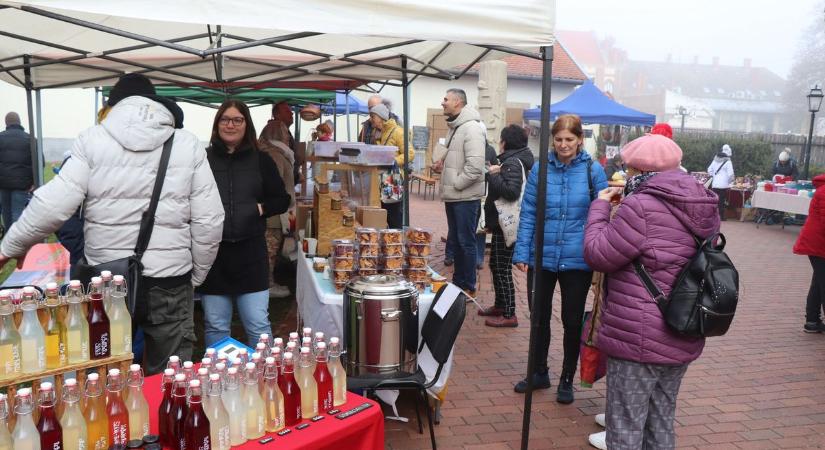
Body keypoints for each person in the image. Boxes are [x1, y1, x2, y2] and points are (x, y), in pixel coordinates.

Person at [0, 73, 224, 375]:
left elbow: (52, 204)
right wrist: (196, 274)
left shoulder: (91, 140)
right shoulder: (187, 144)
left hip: (107, 276)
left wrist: (11, 245)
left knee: (104, 373)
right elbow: (210, 219)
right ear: (155, 102)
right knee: (172, 378)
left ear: (113, 104)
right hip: (170, 278)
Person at [583, 134, 719, 450]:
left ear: (638, 171)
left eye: (628, 170)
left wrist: (600, 208)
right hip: (682, 327)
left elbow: (598, 253)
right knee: (660, 422)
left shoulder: (641, 206)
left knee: (626, 428)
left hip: (637, 336)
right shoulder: (702, 201)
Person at [511, 114, 608, 402]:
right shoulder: (541, 169)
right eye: (559, 139)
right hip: (542, 256)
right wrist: (522, 251)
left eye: (569, 139)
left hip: (577, 259)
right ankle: (539, 371)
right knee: (538, 317)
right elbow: (528, 212)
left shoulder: (593, 171)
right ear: (552, 140)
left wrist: (599, 256)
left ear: (580, 140)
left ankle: (567, 377)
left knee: (571, 320)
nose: (564, 144)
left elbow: (601, 217)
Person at [198, 100, 291, 348]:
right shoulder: (202, 160)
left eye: (237, 120)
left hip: (251, 255)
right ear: (217, 124)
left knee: (258, 326)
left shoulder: (262, 161)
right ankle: (218, 383)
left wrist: (259, 208)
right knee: (216, 326)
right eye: (225, 119)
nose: (231, 125)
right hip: (214, 257)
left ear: (246, 124)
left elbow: (281, 199)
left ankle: (266, 382)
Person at [478, 124, 534, 328]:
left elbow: (510, 192)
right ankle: (500, 305)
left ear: (505, 142)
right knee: (495, 264)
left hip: (508, 224)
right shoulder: (515, 160)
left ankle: (510, 312)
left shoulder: (511, 162)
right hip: (502, 223)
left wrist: (493, 175)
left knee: (502, 268)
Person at [432, 88, 486, 296]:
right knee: (459, 242)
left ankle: (469, 285)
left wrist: (455, 183)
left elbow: (474, 167)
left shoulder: (471, 128)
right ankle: (458, 282)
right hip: (456, 196)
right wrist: (442, 168)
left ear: (458, 102)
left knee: (466, 242)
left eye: (446, 99)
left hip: (464, 196)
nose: (443, 102)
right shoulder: (456, 126)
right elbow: (459, 161)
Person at [259, 100, 298, 298]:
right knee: (270, 249)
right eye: (287, 112)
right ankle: (267, 285)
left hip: (276, 210)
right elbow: (275, 185)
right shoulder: (275, 154)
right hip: (273, 212)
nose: (291, 115)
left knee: (271, 248)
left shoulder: (279, 153)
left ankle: (268, 282)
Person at [368, 103, 415, 228]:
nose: (371, 119)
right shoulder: (379, 133)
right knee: (385, 214)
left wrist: (394, 161)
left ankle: (396, 241)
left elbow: (410, 153)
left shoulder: (398, 132)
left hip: (392, 180)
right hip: (381, 181)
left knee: (393, 214)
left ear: (381, 117)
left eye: (373, 116)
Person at [793, 174, 825, 333]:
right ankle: (812, 320)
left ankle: (812, 321)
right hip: (818, 243)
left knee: (819, 282)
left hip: (818, 243)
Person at [0, 112, 34, 231]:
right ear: (19, 122)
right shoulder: (29, 138)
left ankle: (9, 243)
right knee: (17, 213)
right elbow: (40, 162)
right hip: (22, 184)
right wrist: (33, 182)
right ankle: (17, 243)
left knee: (6, 213)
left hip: (3, 184)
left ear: (6, 123)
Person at [707, 144, 734, 221]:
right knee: (721, 201)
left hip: (715, 184)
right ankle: (720, 216)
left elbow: (709, 170)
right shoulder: (728, 162)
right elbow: (730, 175)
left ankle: (713, 216)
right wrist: (730, 183)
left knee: (714, 200)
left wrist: (714, 176)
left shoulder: (715, 160)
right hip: (724, 185)